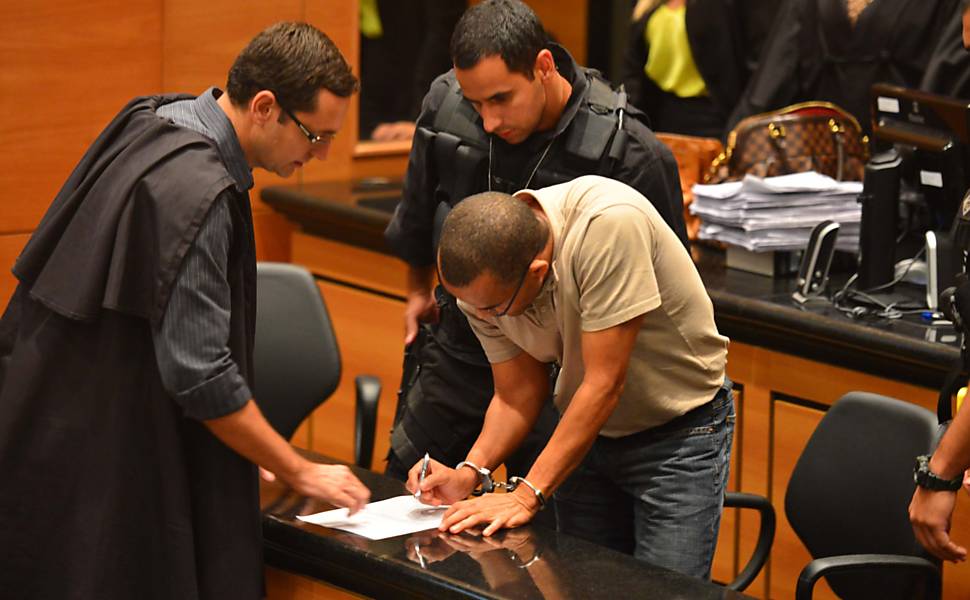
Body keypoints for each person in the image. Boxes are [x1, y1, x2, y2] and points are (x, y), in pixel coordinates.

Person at [0, 22, 370, 599]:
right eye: (314, 135)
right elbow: (201, 376)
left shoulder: (155, 118)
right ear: (265, 107)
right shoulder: (200, 192)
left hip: (51, 414)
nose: (319, 154)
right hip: (105, 455)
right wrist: (298, 468)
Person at [383, 0, 687, 506]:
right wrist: (417, 290)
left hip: (563, 377)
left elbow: (660, 291)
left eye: (501, 99)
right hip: (461, 348)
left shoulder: (627, 152)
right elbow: (419, 211)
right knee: (407, 497)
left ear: (543, 66)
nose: (488, 121)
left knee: (538, 532)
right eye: (476, 103)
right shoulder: (446, 105)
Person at [408, 175, 733, 579]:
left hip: (676, 434)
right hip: (585, 435)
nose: (482, 315)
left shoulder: (609, 225)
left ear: (537, 272)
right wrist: (469, 472)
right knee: (582, 586)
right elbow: (516, 394)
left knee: (664, 590)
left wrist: (527, 494)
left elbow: (604, 384)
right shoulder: (486, 288)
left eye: (492, 309)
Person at [728, 0, 970, 135]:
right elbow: (777, 69)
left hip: (906, 145)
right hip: (825, 153)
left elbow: (944, 75)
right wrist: (735, 138)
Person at [620, 0, 776, 138]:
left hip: (716, 118)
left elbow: (760, 63)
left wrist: (740, 123)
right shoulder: (648, 5)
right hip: (661, 117)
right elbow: (633, 68)